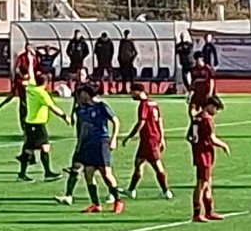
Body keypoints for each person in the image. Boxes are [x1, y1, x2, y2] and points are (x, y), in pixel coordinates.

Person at [67, 85, 126, 214]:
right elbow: (81, 128)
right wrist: (79, 145)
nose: (79, 97)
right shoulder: (80, 110)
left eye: (81, 94)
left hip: (101, 142)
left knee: (106, 173)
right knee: (88, 173)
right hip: (87, 144)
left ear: (86, 94)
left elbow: (116, 121)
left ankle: (118, 200)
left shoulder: (101, 106)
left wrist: (114, 139)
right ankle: (96, 204)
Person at [123, 83, 173, 199]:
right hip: (152, 138)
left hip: (149, 139)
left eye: (132, 92)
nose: (131, 94)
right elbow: (160, 121)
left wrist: (129, 136)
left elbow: (142, 122)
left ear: (138, 91)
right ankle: (131, 190)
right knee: (138, 163)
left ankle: (166, 191)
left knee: (157, 165)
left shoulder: (144, 104)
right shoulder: (154, 103)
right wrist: (162, 137)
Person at [18, 72, 70, 182]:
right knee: (43, 147)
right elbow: (53, 107)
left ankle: (22, 174)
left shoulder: (31, 88)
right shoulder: (42, 94)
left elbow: (28, 80)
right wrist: (65, 116)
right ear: (46, 83)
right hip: (37, 124)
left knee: (30, 148)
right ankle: (47, 173)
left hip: (30, 123)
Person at [187, 96, 230, 222]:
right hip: (204, 155)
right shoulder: (207, 119)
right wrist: (224, 145)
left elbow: (189, 137)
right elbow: (212, 138)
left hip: (200, 153)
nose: (216, 112)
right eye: (216, 108)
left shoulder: (196, 118)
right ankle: (197, 213)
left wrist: (196, 146)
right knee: (201, 183)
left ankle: (209, 211)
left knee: (207, 182)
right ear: (210, 106)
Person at [56, 68, 93, 204]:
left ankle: (114, 195)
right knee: (79, 167)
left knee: (102, 171)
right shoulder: (78, 90)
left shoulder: (91, 91)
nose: (79, 76)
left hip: (94, 140)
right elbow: (75, 103)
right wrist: (72, 114)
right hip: (83, 135)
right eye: (78, 74)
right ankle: (68, 195)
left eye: (82, 74)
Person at [188, 51, 217, 117]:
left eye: (199, 59)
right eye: (196, 59)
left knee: (208, 111)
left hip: (205, 92)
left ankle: (207, 121)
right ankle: (194, 121)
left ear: (202, 59)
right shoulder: (193, 69)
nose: (198, 61)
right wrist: (190, 93)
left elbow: (211, 81)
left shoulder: (207, 69)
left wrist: (210, 92)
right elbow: (193, 82)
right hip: (197, 93)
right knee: (191, 109)